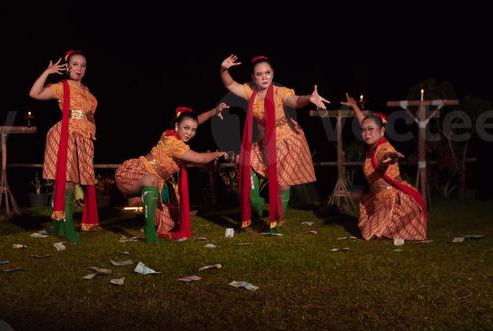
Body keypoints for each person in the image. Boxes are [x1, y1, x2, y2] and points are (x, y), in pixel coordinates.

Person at [220, 54, 329, 230]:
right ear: (253, 77)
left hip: (287, 140)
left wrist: (309, 98)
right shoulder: (250, 91)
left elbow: (294, 101)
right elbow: (230, 84)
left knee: (283, 183)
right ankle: (256, 208)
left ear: (272, 74)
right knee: (247, 167)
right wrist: (224, 69)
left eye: (267, 73)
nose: (264, 77)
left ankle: (278, 219)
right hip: (265, 142)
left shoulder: (280, 91)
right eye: (259, 74)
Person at [115, 104, 229, 242]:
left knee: (170, 223)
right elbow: (200, 158)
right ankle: (149, 230)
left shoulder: (169, 134)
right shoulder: (173, 143)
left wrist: (214, 111)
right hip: (132, 176)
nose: (189, 133)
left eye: (194, 130)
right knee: (152, 179)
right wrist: (219, 153)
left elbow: (193, 120)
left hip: (155, 184)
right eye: (186, 128)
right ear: (176, 126)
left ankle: (145, 209)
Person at [29, 50, 98, 243]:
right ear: (68, 67)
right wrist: (47, 72)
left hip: (84, 138)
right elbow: (34, 93)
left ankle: (58, 224)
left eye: (83, 65)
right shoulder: (63, 86)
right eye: (75, 64)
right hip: (66, 135)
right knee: (67, 179)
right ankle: (67, 227)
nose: (79, 68)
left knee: (78, 180)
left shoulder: (87, 91)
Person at [344, 94, 427, 241]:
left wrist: (389, 158)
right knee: (366, 229)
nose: (366, 133)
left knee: (368, 234)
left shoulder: (383, 147)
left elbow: (385, 156)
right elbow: (364, 121)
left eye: (371, 129)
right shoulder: (373, 146)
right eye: (364, 130)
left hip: (392, 200)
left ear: (382, 131)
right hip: (377, 198)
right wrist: (355, 106)